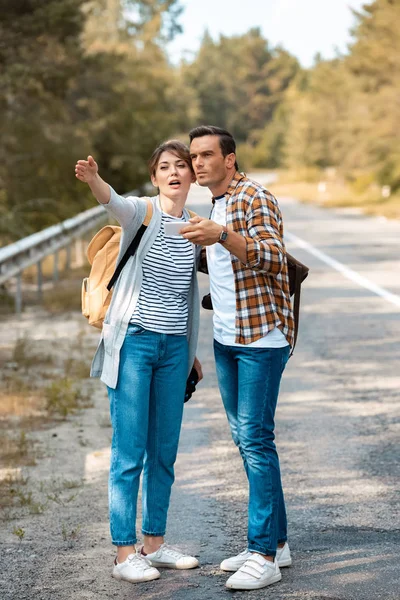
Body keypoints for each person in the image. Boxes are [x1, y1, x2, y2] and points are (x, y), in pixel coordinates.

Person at [75, 140, 202, 585]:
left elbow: (186, 298)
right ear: (154, 177)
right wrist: (94, 180)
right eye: (164, 167)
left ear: (190, 176)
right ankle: (123, 552)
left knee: (164, 452)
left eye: (181, 166)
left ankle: (154, 544)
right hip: (134, 345)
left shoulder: (196, 226)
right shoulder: (142, 214)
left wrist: (192, 352)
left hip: (173, 352)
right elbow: (113, 201)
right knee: (129, 451)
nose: (173, 173)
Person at [181, 126, 294, 591]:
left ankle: (263, 554)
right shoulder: (215, 202)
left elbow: (273, 257)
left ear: (230, 159)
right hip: (228, 338)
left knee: (255, 439)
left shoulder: (253, 198)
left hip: (261, 339)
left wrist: (220, 234)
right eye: (193, 156)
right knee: (248, 439)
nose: (198, 163)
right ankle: (278, 544)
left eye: (208, 155)